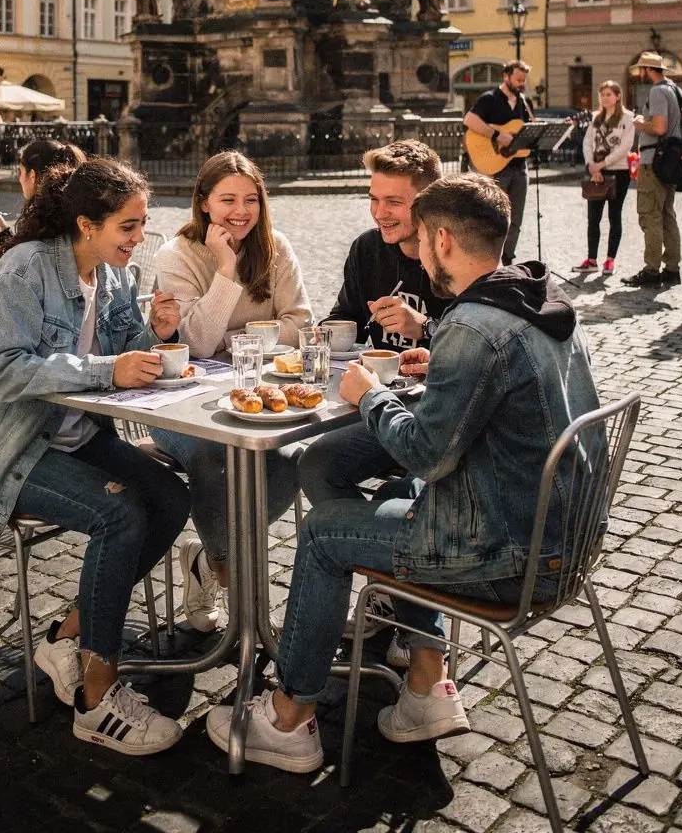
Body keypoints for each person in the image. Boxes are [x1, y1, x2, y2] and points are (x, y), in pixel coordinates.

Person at [207, 173, 601, 771]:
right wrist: (439, 347)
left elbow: (427, 454)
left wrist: (370, 394)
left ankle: (288, 719)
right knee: (383, 483)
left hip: (509, 553)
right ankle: (423, 682)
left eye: (420, 237)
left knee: (323, 534)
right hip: (567, 537)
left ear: (441, 240)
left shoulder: (476, 326)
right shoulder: (538, 300)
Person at [0, 158, 191, 757]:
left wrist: (156, 334)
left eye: (142, 224)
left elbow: (125, 356)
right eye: (128, 226)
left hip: (75, 437)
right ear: (86, 224)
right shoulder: (24, 267)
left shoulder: (115, 276)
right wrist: (107, 369)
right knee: (120, 515)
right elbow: (1, 371)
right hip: (0, 447)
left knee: (170, 498)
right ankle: (97, 701)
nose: (139, 238)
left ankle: (66, 635)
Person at [154, 151, 312, 633]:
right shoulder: (177, 255)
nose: (241, 212)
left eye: (251, 200)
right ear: (204, 203)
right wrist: (224, 269)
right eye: (227, 200)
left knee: (294, 460)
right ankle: (227, 571)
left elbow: (301, 323)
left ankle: (207, 559)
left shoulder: (276, 248)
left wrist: (235, 341)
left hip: (259, 397)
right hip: (183, 406)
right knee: (211, 456)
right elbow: (196, 343)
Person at [299, 139, 448, 510]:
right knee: (316, 465)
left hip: (438, 411)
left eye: (393, 202)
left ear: (427, 203)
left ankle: (391, 536)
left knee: (410, 490)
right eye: (374, 199)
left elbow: (477, 346)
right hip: (379, 400)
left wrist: (424, 327)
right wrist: (325, 332)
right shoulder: (367, 249)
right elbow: (347, 315)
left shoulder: (452, 255)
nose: (380, 213)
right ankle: (360, 536)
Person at [0, 140, 87, 318]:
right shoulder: (69, 211)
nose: (19, 179)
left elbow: (25, 277)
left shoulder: (45, 220)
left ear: (32, 176)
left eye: (20, 172)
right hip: (62, 309)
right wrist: (1, 226)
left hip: (46, 314)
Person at [463, 60, 534, 263]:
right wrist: (496, 135)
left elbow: (528, 130)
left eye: (523, 80)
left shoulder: (524, 103)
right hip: (497, 168)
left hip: (520, 167)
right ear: (506, 76)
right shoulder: (490, 98)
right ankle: (489, 261)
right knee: (495, 215)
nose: (521, 84)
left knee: (516, 218)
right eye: (518, 79)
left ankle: (508, 259)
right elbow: (469, 120)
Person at [623, 51, 682, 287]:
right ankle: (672, 269)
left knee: (650, 216)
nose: (640, 73)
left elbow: (659, 127)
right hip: (671, 160)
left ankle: (651, 271)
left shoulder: (658, 91)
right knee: (667, 214)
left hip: (654, 161)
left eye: (641, 69)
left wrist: (640, 123)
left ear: (647, 70)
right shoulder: (678, 91)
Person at [575, 82, 635, 274]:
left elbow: (625, 147)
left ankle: (610, 260)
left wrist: (602, 164)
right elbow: (587, 143)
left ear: (618, 96)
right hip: (596, 173)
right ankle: (592, 260)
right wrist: (591, 166)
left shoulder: (628, 118)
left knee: (614, 216)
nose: (604, 98)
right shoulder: (595, 118)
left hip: (618, 172)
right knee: (593, 217)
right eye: (602, 94)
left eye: (608, 94)